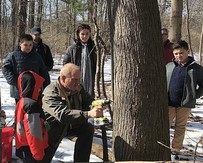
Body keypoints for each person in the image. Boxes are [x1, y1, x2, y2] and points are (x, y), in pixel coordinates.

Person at [42, 63, 104, 162]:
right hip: (52, 130)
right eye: (74, 79)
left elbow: (88, 100)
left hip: (70, 125)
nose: (78, 82)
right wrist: (88, 114)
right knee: (43, 158)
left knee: (87, 129)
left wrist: (96, 104)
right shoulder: (51, 92)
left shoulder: (77, 87)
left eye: (79, 79)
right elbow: (62, 115)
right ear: (63, 78)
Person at [166, 40, 203, 154]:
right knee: (164, 126)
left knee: (180, 127)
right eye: (176, 53)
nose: (178, 56)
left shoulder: (196, 68)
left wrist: (193, 95)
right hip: (169, 103)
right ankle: (163, 148)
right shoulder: (169, 66)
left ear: (187, 51)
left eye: (181, 53)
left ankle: (175, 150)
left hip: (185, 104)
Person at [2, 34, 50, 104]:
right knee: (20, 111)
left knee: (33, 111)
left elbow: (43, 71)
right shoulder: (13, 56)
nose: (28, 47)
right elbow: (5, 69)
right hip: (18, 90)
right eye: (25, 45)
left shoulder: (37, 56)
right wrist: (15, 81)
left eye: (30, 45)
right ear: (20, 44)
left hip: (34, 89)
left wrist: (46, 87)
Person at [15, 71, 49, 163]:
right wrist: (38, 154)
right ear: (31, 86)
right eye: (37, 87)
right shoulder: (31, 105)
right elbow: (34, 133)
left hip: (24, 146)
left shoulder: (22, 101)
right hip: (32, 150)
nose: (39, 90)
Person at [63, 24, 97, 97]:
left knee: (89, 97)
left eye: (87, 34)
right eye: (82, 34)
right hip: (75, 78)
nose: (85, 36)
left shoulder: (94, 48)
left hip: (90, 78)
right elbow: (65, 64)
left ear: (90, 34)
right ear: (78, 34)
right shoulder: (72, 49)